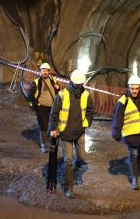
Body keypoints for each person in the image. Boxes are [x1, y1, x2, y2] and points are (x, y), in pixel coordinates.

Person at [49, 69, 94, 199]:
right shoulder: (62, 95)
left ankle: (74, 173)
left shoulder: (86, 94)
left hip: (79, 132)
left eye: (81, 84)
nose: (79, 86)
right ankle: (69, 187)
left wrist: (86, 123)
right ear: (72, 82)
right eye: (77, 84)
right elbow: (54, 114)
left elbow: (90, 111)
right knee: (68, 160)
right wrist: (53, 129)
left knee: (82, 158)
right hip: (66, 133)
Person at [112, 74, 140, 190]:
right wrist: (116, 132)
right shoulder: (123, 101)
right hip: (129, 134)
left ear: (139, 88)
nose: (134, 91)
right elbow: (117, 117)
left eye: (136, 89)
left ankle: (138, 158)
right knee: (133, 155)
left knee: (139, 151)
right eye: (132, 89)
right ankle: (134, 179)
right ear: (129, 88)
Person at [27, 62, 60, 153]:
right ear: (40, 71)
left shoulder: (53, 79)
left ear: (49, 72)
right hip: (41, 107)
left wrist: (58, 87)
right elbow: (29, 94)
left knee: (53, 124)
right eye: (43, 71)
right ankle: (43, 145)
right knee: (43, 126)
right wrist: (36, 103)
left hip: (52, 106)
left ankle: (51, 142)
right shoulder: (36, 82)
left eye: (46, 71)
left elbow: (58, 89)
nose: (45, 72)